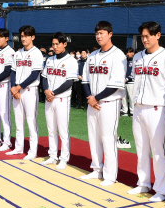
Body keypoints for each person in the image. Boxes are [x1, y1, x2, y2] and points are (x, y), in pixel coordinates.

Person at [127, 21, 165, 200]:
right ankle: (143, 183)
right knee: (141, 148)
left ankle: (162, 190)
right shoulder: (137, 57)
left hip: (158, 108)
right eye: (142, 36)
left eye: (148, 36)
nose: (144, 39)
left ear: (158, 35)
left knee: (158, 150)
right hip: (139, 107)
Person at [81, 21, 127, 186]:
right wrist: (90, 98)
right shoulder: (92, 56)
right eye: (97, 33)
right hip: (93, 102)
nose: (99, 36)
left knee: (108, 138)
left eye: (102, 33)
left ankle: (110, 175)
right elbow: (85, 80)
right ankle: (96, 169)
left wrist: (96, 98)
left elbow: (115, 84)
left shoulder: (118, 55)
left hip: (109, 102)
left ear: (110, 34)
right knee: (93, 137)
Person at [41, 32, 79, 169]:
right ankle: (52, 156)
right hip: (49, 98)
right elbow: (44, 77)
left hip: (62, 98)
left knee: (63, 130)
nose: (55, 46)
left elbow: (69, 82)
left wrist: (53, 92)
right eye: (53, 44)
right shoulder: (50, 60)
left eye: (58, 44)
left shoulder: (71, 61)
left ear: (65, 44)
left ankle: (64, 158)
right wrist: (46, 91)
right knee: (51, 129)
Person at [8, 25, 42, 160]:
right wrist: (14, 88)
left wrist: (18, 87)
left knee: (31, 121)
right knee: (18, 121)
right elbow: (13, 72)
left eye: (26, 36)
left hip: (30, 91)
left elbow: (34, 75)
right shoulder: (18, 53)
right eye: (22, 36)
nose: (24, 38)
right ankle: (18, 147)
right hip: (17, 91)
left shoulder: (37, 53)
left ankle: (33, 151)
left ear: (32, 37)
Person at [122, 47, 135, 117]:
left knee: (131, 97)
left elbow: (134, 72)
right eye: (127, 52)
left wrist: (127, 78)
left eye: (130, 52)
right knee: (123, 97)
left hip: (131, 82)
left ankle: (132, 111)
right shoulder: (124, 60)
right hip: (123, 81)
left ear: (133, 53)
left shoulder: (134, 61)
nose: (128, 54)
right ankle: (125, 111)